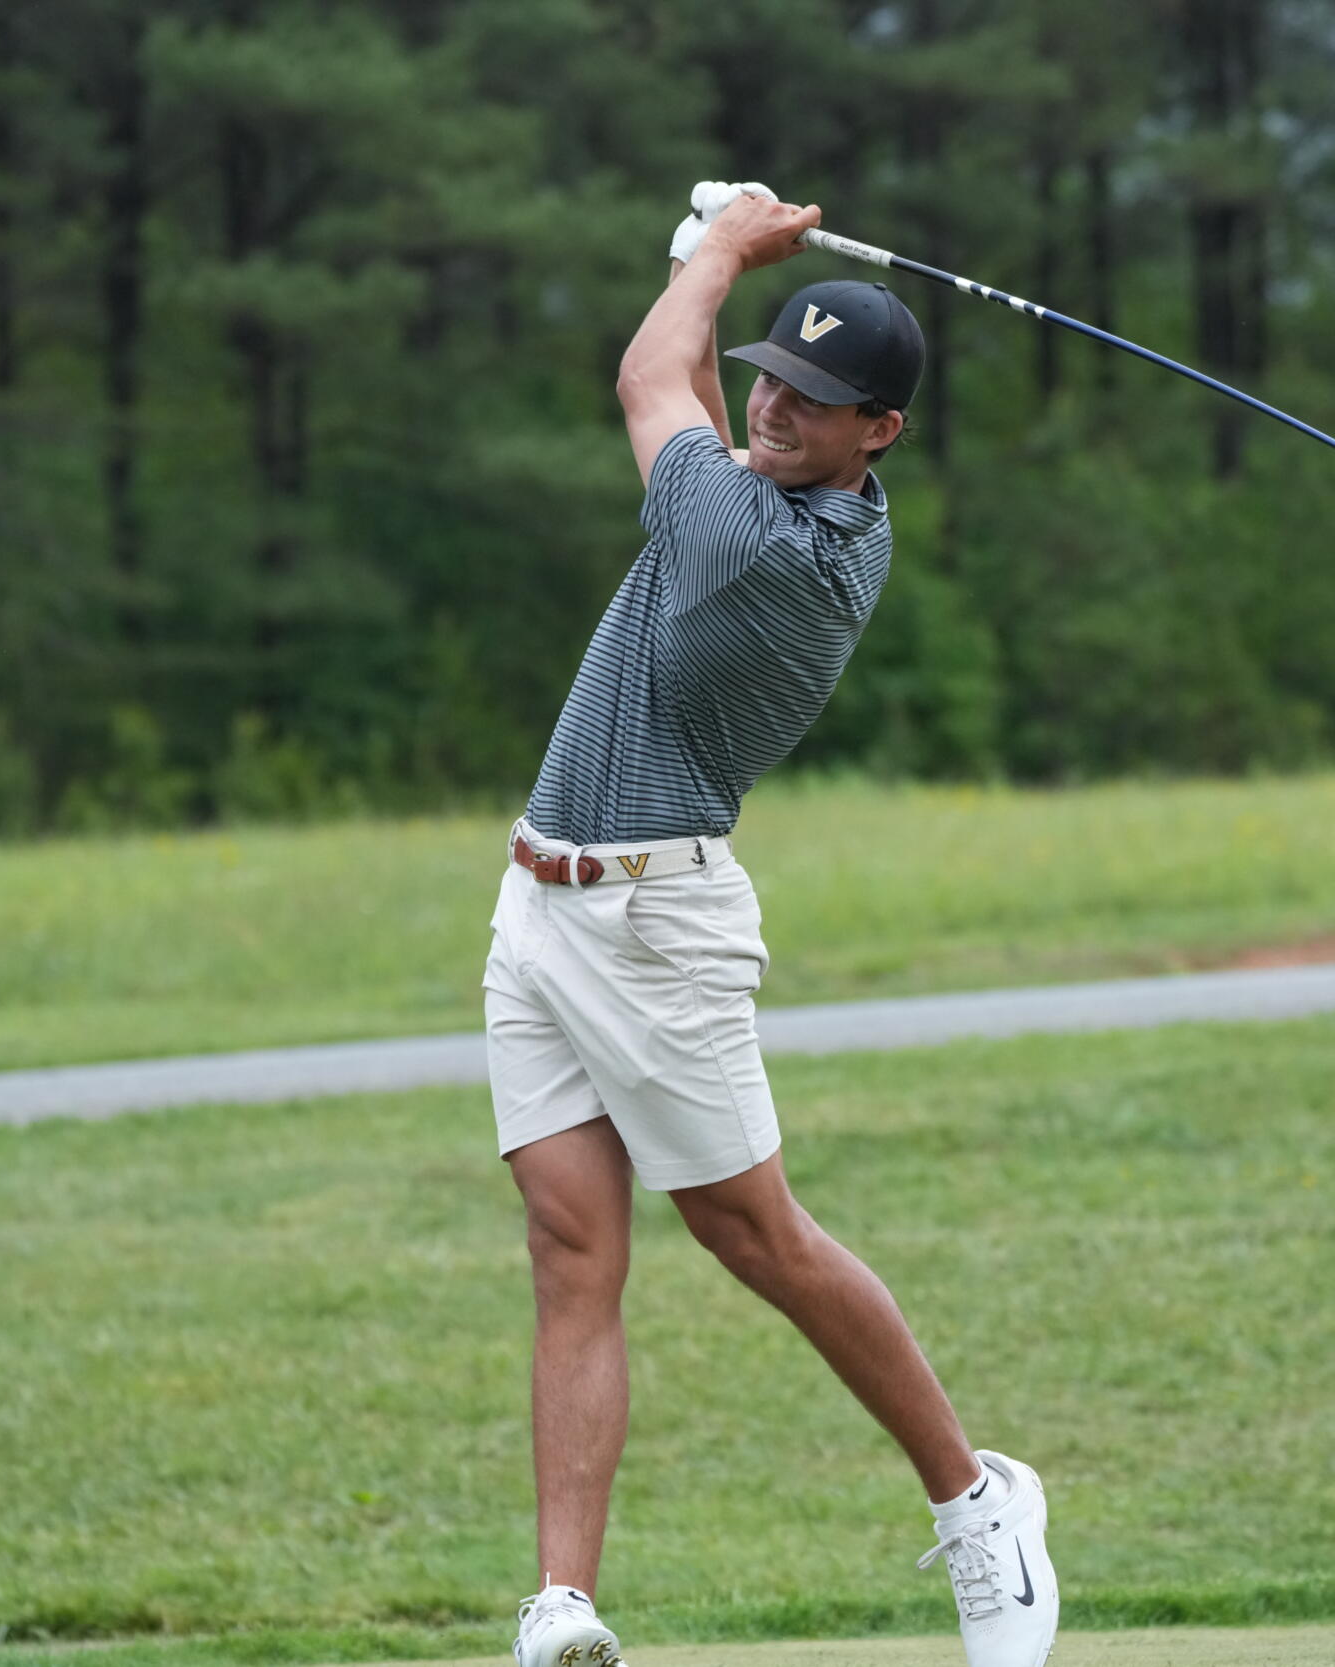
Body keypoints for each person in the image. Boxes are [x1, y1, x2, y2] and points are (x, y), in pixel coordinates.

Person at [484, 183, 1058, 1667]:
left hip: (655, 925)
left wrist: (728, 248)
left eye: (816, 398)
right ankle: (563, 1605)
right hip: (539, 904)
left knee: (757, 1237)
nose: (777, 406)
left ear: (882, 433)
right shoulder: (754, 481)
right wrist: (709, 263)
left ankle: (978, 1500)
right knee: (569, 1246)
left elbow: (645, 377)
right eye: (772, 377)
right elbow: (686, 373)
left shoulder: (768, 546)